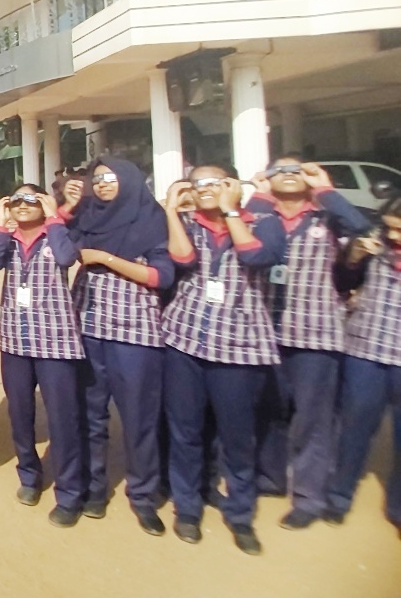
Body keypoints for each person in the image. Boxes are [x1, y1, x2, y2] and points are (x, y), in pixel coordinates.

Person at [161, 166, 286, 555]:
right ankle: (187, 508)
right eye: (197, 185)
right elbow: (181, 260)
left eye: (215, 183)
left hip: (239, 348)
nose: (205, 190)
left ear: (232, 186)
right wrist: (170, 210)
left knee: (237, 437)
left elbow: (258, 257)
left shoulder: (264, 222)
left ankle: (240, 514)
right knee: (185, 431)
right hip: (184, 342)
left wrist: (231, 211)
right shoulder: (186, 224)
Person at [245, 156, 370, 529]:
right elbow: (242, 236)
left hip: (315, 332)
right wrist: (259, 197)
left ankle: (308, 496)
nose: (286, 175)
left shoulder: (325, 217)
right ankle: (270, 477)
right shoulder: (259, 216)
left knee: (312, 418)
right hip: (262, 328)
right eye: (277, 171)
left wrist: (325, 188)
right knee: (269, 410)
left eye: (295, 170)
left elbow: (361, 229)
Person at [62, 156, 174, 535]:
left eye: (111, 178)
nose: (104, 184)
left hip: (136, 333)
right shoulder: (88, 216)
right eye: (98, 179)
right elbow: (61, 241)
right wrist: (70, 206)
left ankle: (143, 496)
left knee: (140, 418)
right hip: (88, 327)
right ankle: (93, 489)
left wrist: (106, 259)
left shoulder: (150, 218)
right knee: (90, 415)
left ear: (128, 180)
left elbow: (162, 275)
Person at [0, 184, 87, 527]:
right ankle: (29, 474)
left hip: (56, 340)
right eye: (17, 200)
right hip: (15, 341)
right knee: (20, 412)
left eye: (32, 200)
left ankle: (70, 492)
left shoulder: (60, 233)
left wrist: (55, 216)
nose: (23, 205)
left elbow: (66, 257)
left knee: (62, 417)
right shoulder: (7, 240)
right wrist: (0, 221)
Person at [326, 196, 401, 536]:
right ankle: (339, 498)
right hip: (365, 351)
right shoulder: (373, 246)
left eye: (400, 230)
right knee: (354, 428)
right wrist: (354, 257)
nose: (393, 236)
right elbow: (342, 283)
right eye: (390, 228)